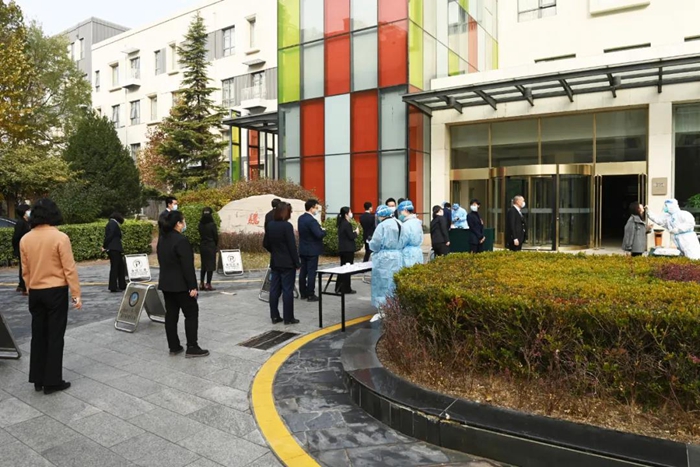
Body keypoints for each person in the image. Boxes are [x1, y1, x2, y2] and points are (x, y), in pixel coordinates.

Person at [19, 198, 81, 395]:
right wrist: (76, 294)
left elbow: (25, 270)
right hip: (55, 291)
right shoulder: (60, 237)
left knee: (38, 335)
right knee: (55, 336)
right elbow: (69, 269)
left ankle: (37, 379)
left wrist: (29, 288)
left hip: (35, 292)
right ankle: (52, 381)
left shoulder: (25, 239)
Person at [157, 210, 209, 358]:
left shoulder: (162, 239)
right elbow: (187, 266)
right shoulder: (181, 240)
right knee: (191, 314)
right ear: (178, 223)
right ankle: (192, 346)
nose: (184, 224)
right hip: (181, 285)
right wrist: (192, 286)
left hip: (166, 284)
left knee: (171, 315)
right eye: (183, 221)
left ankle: (174, 346)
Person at [264, 202, 300, 324]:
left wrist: (275, 251)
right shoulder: (287, 226)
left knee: (274, 289)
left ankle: (274, 316)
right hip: (287, 263)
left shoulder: (270, 225)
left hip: (275, 261)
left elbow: (266, 243)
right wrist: (297, 262)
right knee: (287, 290)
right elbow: (292, 246)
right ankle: (288, 318)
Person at [368, 205, 403, 322]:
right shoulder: (399, 223)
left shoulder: (382, 226)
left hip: (384, 259)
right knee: (393, 284)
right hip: (397, 256)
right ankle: (394, 307)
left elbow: (375, 243)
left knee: (382, 284)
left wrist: (370, 245)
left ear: (381, 215)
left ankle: (383, 310)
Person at [298, 199, 325, 302]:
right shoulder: (312, 221)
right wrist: (324, 232)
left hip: (303, 249)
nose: (317, 210)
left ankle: (303, 293)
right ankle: (311, 294)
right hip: (312, 250)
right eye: (316, 208)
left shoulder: (301, 218)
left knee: (303, 272)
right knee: (311, 273)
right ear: (311, 208)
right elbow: (318, 234)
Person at [336, 206, 359, 294]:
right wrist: (356, 232)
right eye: (350, 212)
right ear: (346, 214)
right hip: (348, 249)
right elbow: (351, 236)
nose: (351, 213)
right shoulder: (347, 224)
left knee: (342, 268)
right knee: (347, 269)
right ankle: (346, 288)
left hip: (343, 249)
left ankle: (339, 287)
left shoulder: (341, 223)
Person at [103, 212, 127, 292]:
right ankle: (113, 286)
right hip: (114, 248)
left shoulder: (112, 223)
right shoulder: (113, 223)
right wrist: (104, 245)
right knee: (115, 267)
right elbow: (111, 235)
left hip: (115, 248)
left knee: (120, 267)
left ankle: (122, 285)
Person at [12, 204, 31, 295]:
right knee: (24, 267)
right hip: (22, 248)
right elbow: (16, 237)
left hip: (29, 248)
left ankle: (22, 285)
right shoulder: (20, 223)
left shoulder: (28, 222)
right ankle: (24, 286)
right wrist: (17, 248)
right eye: (28, 210)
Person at [398, 200, 424, 267]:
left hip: (408, 254)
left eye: (400, 211)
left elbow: (403, 240)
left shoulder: (406, 224)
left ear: (405, 210)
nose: (400, 214)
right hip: (418, 252)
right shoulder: (417, 222)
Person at [198, 207, 218, 291]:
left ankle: (201, 283)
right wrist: (215, 244)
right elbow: (215, 236)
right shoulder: (212, 224)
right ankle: (208, 284)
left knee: (204, 265)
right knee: (210, 265)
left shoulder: (200, 224)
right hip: (211, 245)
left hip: (203, 245)